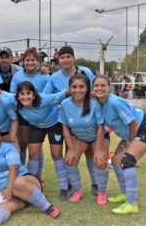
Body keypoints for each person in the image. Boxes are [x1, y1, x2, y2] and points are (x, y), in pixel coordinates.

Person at [93, 75, 146, 214]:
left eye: (103, 85)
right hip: (131, 133)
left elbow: (132, 122)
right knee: (116, 161)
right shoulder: (99, 102)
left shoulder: (115, 102)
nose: (99, 88)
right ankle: (124, 194)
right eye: (96, 85)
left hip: (144, 128)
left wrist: (130, 141)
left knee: (127, 161)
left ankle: (132, 204)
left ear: (109, 87)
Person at [0, 125, 60, 225]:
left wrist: (9, 187)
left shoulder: (8, 147)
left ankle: (48, 207)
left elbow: (13, 168)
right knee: (7, 206)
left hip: (27, 182)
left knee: (17, 182)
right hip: (9, 192)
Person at [43, 46, 99, 195]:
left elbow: (96, 90)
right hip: (59, 119)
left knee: (87, 151)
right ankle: (66, 184)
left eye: (68, 56)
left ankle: (95, 183)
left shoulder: (86, 72)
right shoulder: (54, 77)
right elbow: (45, 97)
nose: (65, 60)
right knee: (58, 153)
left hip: (83, 118)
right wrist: (64, 94)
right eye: (62, 57)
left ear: (73, 58)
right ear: (58, 60)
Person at [58, 74, 110, 205]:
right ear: (69, 88)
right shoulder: (65, 104)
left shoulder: (94, 104)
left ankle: (102, 193)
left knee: (100, 160)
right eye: (74, 87)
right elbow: (65, 128)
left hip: (97, 136)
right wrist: (70, 149)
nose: (77, 90)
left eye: (81, 86)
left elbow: (100, 127)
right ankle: (78, 191)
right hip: (79, 137)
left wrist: (98, 150)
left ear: (87, 88)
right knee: (71, 159)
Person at [15, 81, 69, 201]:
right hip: (36, 126)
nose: (25, 97)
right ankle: (32, 186)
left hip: (55, 124)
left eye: (28, 93)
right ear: (17, 96)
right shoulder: (15, 103)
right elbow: (1, 93)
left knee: (56, 154)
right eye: (22, 94)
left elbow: (65, 93)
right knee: (33, 154)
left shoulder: (45, 99)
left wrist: (89, 94)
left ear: (34, 95)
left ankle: (64, 188)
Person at [10, 47, 50, 175]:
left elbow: (49, 96)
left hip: (39, 117)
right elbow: (12, 95)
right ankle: (21, 174)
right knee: (22, 146)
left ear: (38, 61)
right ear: (23, 62)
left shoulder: (45, 76)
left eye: (33, 60)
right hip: (22, 115)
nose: (30, 62)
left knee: (37, 149)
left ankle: (37, 176)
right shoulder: (17, 76)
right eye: (27, 60)